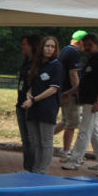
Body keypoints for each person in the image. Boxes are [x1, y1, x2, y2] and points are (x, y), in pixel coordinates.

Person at [62, 32, 98, 171]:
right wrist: (69, 92)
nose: (88, 48)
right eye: (85, 45)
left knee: (84, 131)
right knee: (94, 132)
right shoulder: (90, 59)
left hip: (94, 102)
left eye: (90, 45)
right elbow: (82, 83)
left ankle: (75, 161)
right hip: (88, 101)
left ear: (97, 45)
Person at [21, 35, 63, 174]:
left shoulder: (56, 65)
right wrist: (29, 93)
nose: (49, 49)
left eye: (52, 46)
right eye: (47, 46)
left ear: (56, 49)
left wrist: (33, 100)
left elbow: (53, 88)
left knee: (46, 142)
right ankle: (35, 170)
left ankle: (42, 171)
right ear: (41, 47)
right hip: (34, 108)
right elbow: (33, 84)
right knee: (35, 142)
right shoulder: (37, 64)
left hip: (47, 108)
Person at [55, 30, 86, 158]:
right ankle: (66, 151)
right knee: (72, 123)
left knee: (65, 121)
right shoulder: (74, 52)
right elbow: (73, 74)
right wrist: (77, 90)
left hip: (63, 90)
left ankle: (43, 137)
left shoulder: (65, 50)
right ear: (81, 42)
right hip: (69, 93)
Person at [15, 34, 40, 173]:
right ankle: (26, 167)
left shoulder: (37, 64)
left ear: (31, 46)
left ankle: (31, 168)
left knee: (31, 139)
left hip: (30, 106)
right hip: (20, 104)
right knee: (25, 139)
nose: (22, 47)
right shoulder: (26, 62)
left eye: (24, 44)